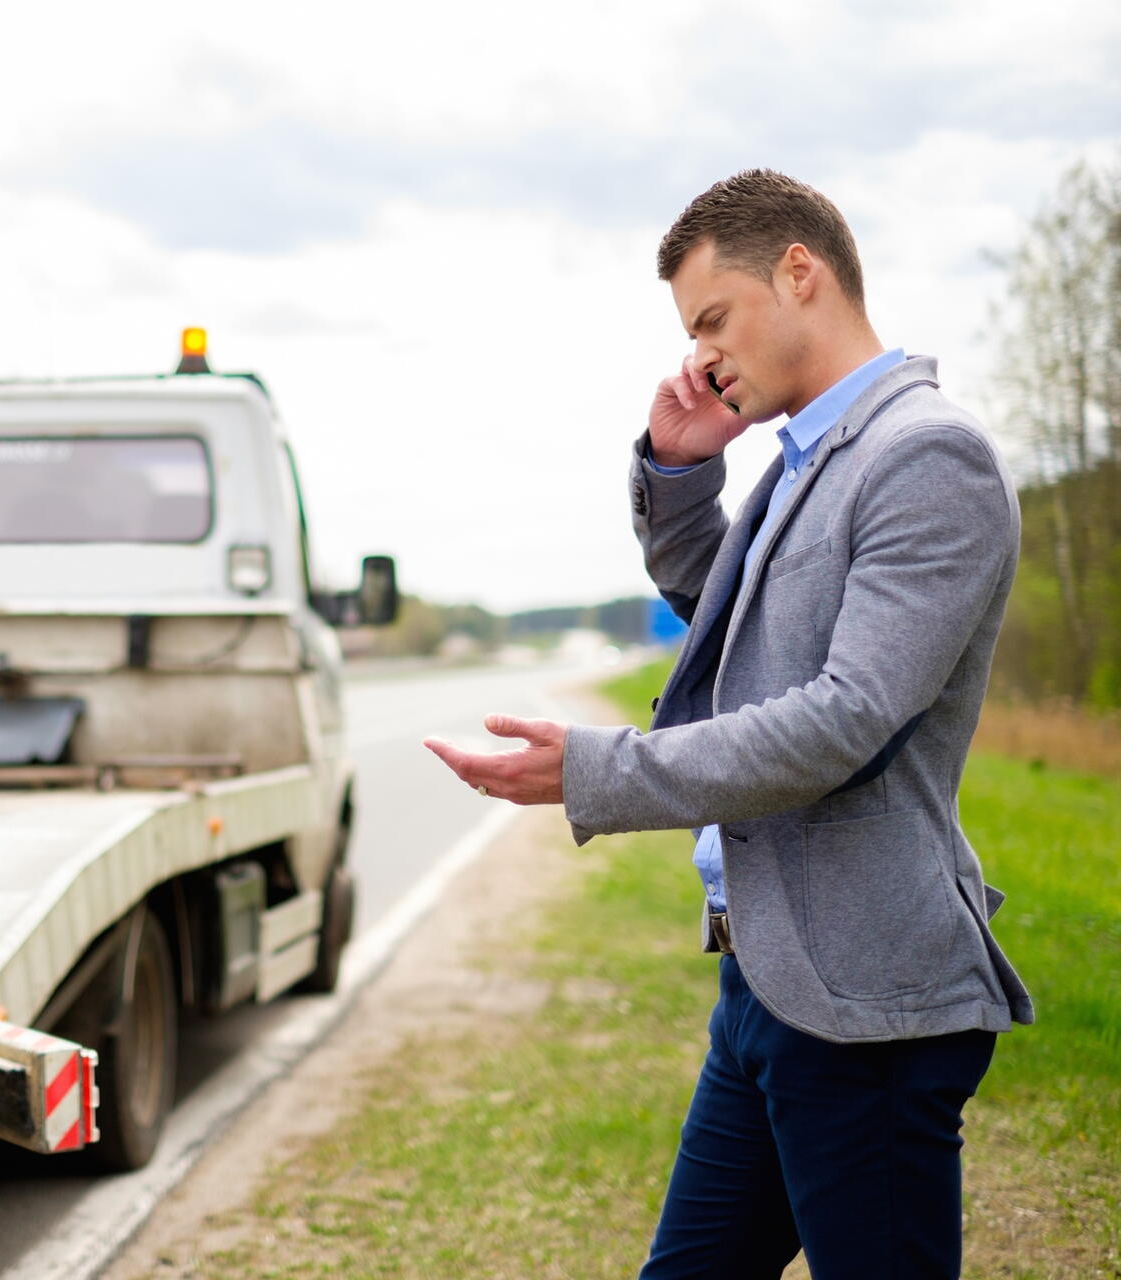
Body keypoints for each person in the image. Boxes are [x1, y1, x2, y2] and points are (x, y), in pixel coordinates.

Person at [423, 169, 1032, 1279]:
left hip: (865, 1003)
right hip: (766, 980)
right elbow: (738, 625)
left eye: (713, 319)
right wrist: (684, 469)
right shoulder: (809, 455)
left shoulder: (926, 455)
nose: (703, 355)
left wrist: (595, 771)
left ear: (799, 271)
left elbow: (841, 719)